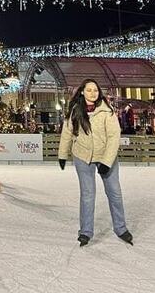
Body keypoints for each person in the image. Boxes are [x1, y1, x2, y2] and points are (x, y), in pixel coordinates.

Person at [58, 78, 132, 247]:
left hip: (106, 156)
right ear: (82, 91)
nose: (93, 93)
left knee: (114, 193)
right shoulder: (75, 110)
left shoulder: (107, 111)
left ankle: (120, 228)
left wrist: (106, 162)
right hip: (83, 157)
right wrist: (62, 154)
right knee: (87, 195)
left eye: (96, 90)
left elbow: (114, 136)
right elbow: (67, 133)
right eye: (89, 90)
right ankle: (85, 231)